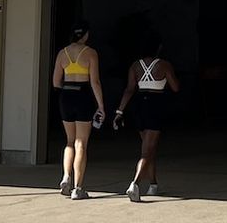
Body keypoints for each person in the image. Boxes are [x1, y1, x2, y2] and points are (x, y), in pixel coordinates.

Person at [113, 33, 180, 203]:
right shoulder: (164, 65)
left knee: (149, 148)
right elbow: (175, 87)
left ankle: (153, 185)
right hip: (156, 105)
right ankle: (134, 184)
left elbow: (129, 89)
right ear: (158, 48)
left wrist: (119, 112)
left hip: (139, 105)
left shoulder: (135, 66)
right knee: (147, 150)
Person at [50, 20, 106, 200]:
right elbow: (95, 81)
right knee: (81, 142)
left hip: (66, 96)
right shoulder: (90, 53)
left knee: (69, 141)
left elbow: (55, 82)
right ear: (85, 35)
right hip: (83, 96)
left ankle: (66, 176)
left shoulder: (62, 53)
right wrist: (101, 106)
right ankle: (78, 188)